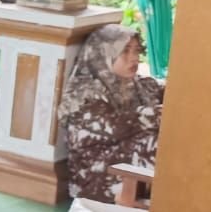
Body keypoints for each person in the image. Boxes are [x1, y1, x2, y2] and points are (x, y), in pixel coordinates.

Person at [59, 25, 163, 203]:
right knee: (156, 143)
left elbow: (163, 92)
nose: (134, 58)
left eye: (137, 51)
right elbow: (115, 127)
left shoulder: (136, 85)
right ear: (103, 54)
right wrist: (158, 114)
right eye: (125, 52)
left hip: (124, 165)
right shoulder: (85, 94)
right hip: (97, 177)